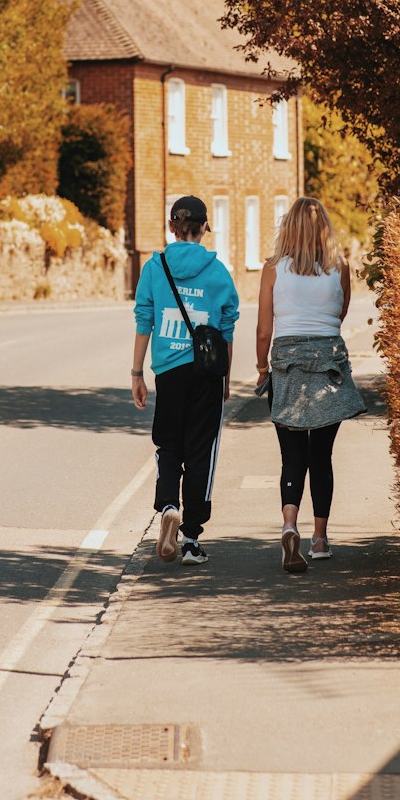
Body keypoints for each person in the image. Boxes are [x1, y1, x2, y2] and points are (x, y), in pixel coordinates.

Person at [255, 196, 365, 574]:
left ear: (288, 228)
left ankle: (289, 525)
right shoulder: (340, 268)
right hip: (328, 365)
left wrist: (260, 367)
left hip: (286, 365)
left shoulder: (273, 269)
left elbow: (263, 329)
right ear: (325, 229)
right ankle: (319, 539)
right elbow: (341, 311)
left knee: (291, 456)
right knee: (321, 456)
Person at [131, 195, 239, 567]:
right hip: (206, 373)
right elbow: (227, 328)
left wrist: (137, 373)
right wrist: (225, 377)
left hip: (169, 373)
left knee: (168, 444)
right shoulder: (218, 272)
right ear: (204, 229)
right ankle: (191, 539)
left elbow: (144, 319)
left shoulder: (154, 268)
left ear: (171, 227)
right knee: (201, 452)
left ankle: (169, 507)